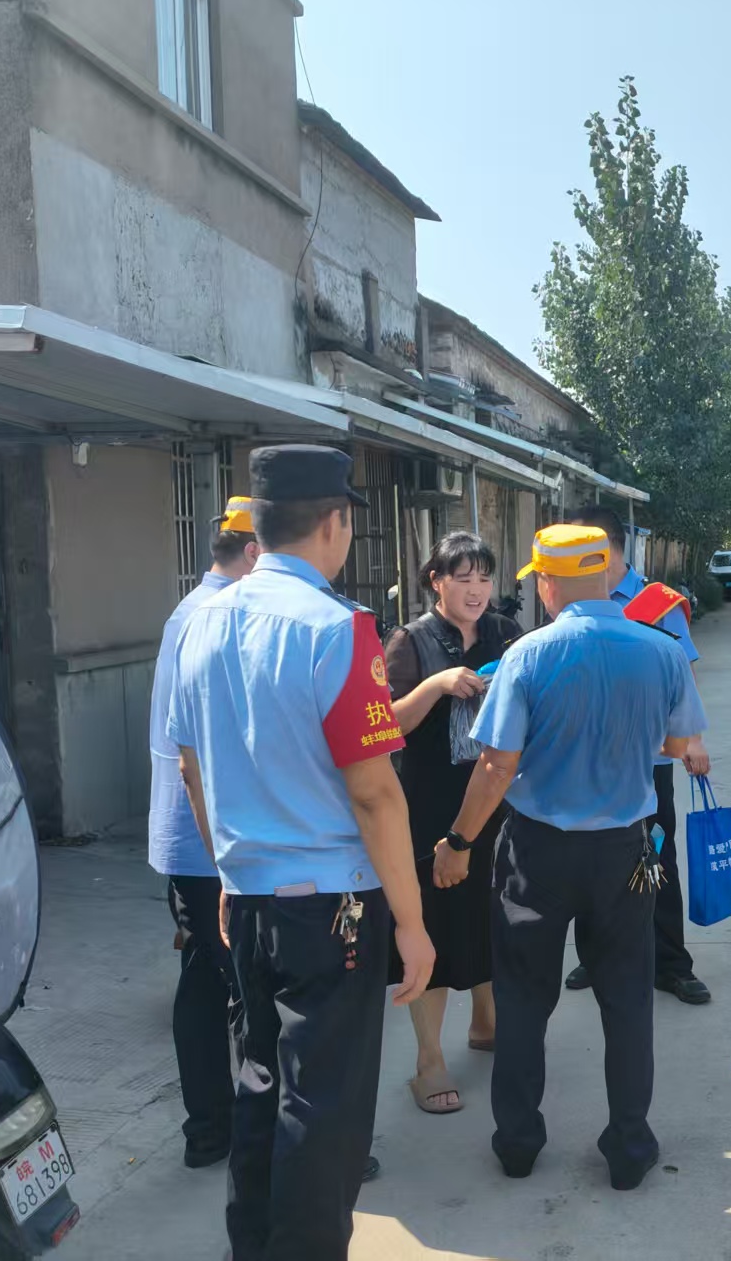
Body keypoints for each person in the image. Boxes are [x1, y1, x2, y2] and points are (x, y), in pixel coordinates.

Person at [168, 445, 436, 1261]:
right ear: (335, 522)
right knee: (325, 1117)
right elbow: (375, 791)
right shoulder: (338, 628)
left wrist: (228, 871)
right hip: (334, 910)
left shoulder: (198, 621)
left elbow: (190, 767)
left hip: (248, 900)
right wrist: (412, 921)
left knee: (259, 1089)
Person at [432, 525, 707, 1190]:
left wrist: (459, 842)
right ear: (608, 576)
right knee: (628, 999)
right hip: (626, 851)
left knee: (524, 999)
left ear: (549, 584)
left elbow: (496, 766)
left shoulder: (528, 655)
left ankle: (518, 1142)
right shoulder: (661, 650)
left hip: (538, 852)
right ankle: (630, 1146)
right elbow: (679, 745)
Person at [383, 532, 523, 1114]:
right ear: (435, 581)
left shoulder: (506, 633)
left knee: (494, 916)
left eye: (484, 578)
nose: (476, 590)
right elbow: (385, 723)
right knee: (434, 926)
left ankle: (487, 1023)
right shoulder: (410, 641)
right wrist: (437, 684)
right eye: (463, 578)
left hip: (493, 799)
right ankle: (429, 1060)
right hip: (430, 805)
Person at [147, 496, 259, 1169]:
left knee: (204, 978)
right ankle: (265, 1134)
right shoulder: (220, 618)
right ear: (253, 551)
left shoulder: (193, 610)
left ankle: (210, 1130)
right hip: (215, 841)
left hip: (193, 838)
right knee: (249, 987)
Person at [563, 505, 712, 1006]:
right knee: (591, 858)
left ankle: (670, 964)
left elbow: (684, 673)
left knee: (656, 857)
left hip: (651, 758)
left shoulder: (657, 602)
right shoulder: (572, 598)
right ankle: (595, 955)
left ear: (604, 549)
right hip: (588, 757)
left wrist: (693, 739)